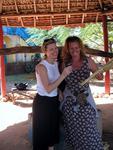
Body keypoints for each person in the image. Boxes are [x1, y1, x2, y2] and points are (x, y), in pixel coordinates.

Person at [60, 36, 104, 150]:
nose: (74, 51)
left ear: (80, 47)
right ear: (67, 49)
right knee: (74, 131)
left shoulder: (88, 61)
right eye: (71, 48)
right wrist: (60, 92)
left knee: (89, 129)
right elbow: (60, 82)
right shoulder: (65, 63)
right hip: (70, 102)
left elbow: (100, 76)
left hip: (85, 100)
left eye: (76, 48)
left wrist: (99, 74)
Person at [32, 38, 72, 150]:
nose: (55, 51)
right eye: (51, 49)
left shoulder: (55, 63)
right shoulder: (41, 67)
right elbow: (48, 88)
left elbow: (54, 83)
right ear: (45, 51)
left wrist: (59, 90)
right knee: (43, 135)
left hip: (53, 102)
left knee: (52, 134)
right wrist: (63, 75)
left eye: (55, 48)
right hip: (43, 104)